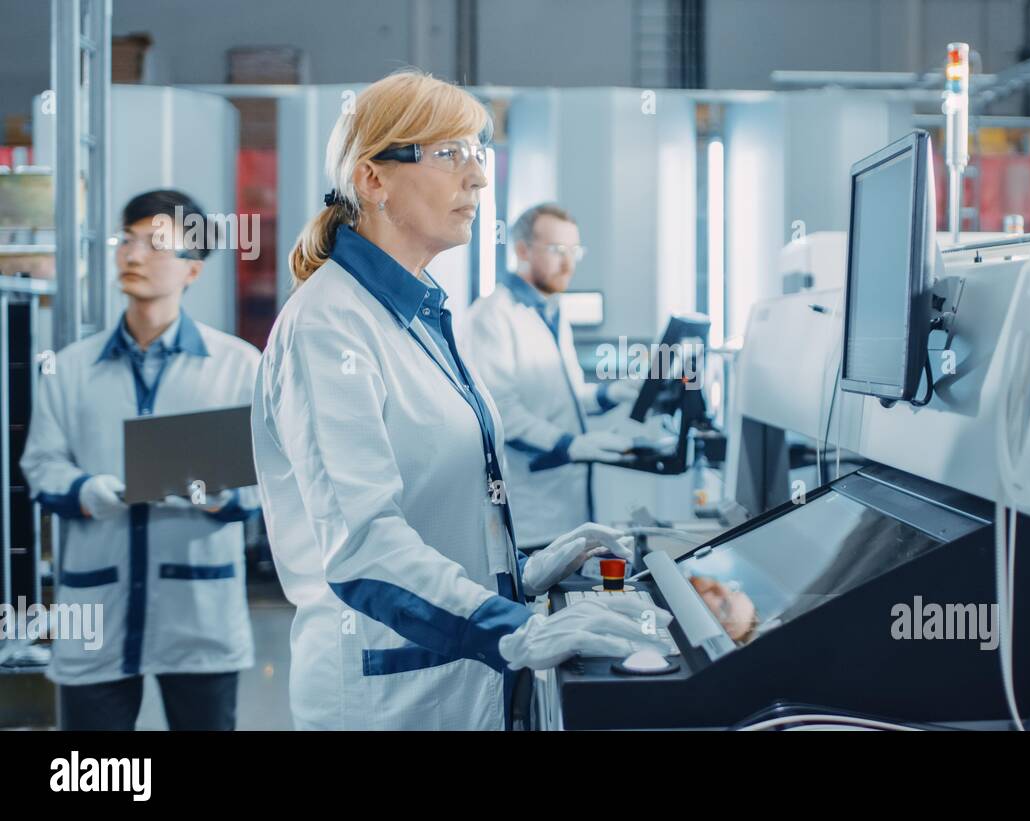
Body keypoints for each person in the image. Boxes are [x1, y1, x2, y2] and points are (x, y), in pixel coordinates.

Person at [251, 70, 670, 731]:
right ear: (373, 179)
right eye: (449, 154)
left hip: (454, 682)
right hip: (383, 696)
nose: (477, 178)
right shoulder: (330, 325)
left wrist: (520, 572)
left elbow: (434, 512)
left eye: (480, 154)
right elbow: (365, 547)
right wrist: (515, 628)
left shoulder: (421, 313)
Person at [20, 189, 261, 730]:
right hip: (96, 607)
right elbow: (42, 465)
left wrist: (222, 493)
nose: (132, 255)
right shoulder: (70, 368)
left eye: (155, 245)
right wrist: (87, 491)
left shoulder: (239, 368)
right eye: (126, 240)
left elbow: (272, 479)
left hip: (199, 611)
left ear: (193, 270)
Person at [465, 203, 642, 550]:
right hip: (529, 516)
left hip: (568, 509)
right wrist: (569, 445)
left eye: (575, 251)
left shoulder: (552, 311)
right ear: (522, 251)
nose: (569, 262)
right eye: (558, 250)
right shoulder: (492, 316)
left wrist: (611, 395)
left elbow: (565, 397)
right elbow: (501, 414)